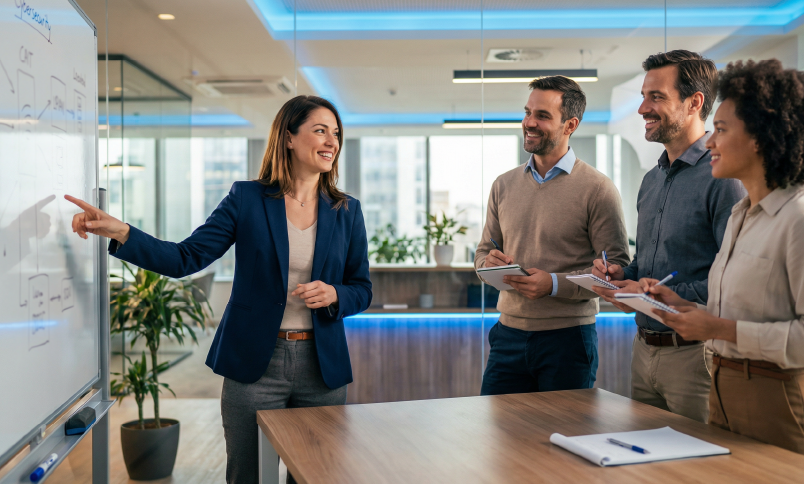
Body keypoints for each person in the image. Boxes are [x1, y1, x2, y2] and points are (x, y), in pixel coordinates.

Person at [66, 95, 372, 483]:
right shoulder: (247, 199)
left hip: (322, 368)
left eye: (337, 133)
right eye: (320, 131)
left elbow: (361, 288)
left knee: (315, 476)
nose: (332, 141)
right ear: (289, 138)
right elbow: (185, 258)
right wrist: (124, 233)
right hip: (254, 366)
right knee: (246, 475)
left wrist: (336, 295)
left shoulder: (347, 210)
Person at [647, 59, 804, 453]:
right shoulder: (741, 214)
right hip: (723, 383)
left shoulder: (797, 219)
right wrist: (680, 302)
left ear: (760, 138)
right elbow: (730, 309)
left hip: (777, 395)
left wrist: (717, 329)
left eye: (720, 130)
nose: (710, 142)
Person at [591, 51, 745, 423]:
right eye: (643, 97)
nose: (643, 108)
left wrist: (658, 297)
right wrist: (621, 278)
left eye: (656, 97)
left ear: (695, 103)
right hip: (644, 351)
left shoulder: (725, 179)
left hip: (695, 356)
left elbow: (735, 280)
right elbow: (649, 265)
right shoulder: (652, 180)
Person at [474, 76, 630, 395]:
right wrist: (488, 265)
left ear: (570, 124)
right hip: (507, 336)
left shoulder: (598, 190)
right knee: (498, 440)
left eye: (542, 116)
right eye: (528, 112)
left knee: (562, 439)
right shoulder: (503, 185)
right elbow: (480, 256)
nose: (529, 122)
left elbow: (614, 270)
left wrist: (554, 284)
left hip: (569, 341)